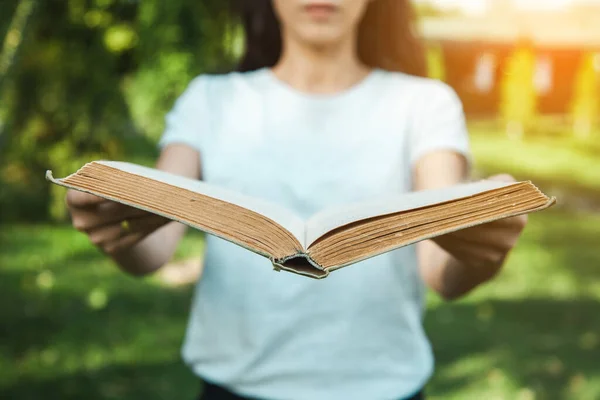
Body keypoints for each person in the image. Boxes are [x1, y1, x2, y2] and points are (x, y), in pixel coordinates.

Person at [65, 0, 528, 399]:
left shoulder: (424, 104)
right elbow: (153, 251)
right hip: (234, 385)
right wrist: (117, 235)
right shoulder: (210, 101)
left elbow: (441, 273)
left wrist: (481, 256)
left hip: (382, 387)